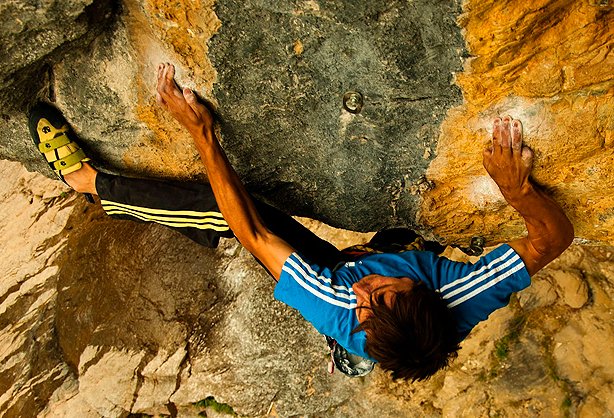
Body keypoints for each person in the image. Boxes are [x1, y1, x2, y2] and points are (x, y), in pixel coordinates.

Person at [28, 63, 574, 381]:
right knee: (391, 242)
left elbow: (254, 234)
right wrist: (515, 188)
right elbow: (554, 238)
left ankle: (89, 185)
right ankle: (394, 252)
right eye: (378, 292)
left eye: (365, 305)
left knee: (228, 207)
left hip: (325, 276)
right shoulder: (462, 296)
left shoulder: (339, 305)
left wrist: (202, 134)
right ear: (426, 288)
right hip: (401, 284)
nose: (363, 289)